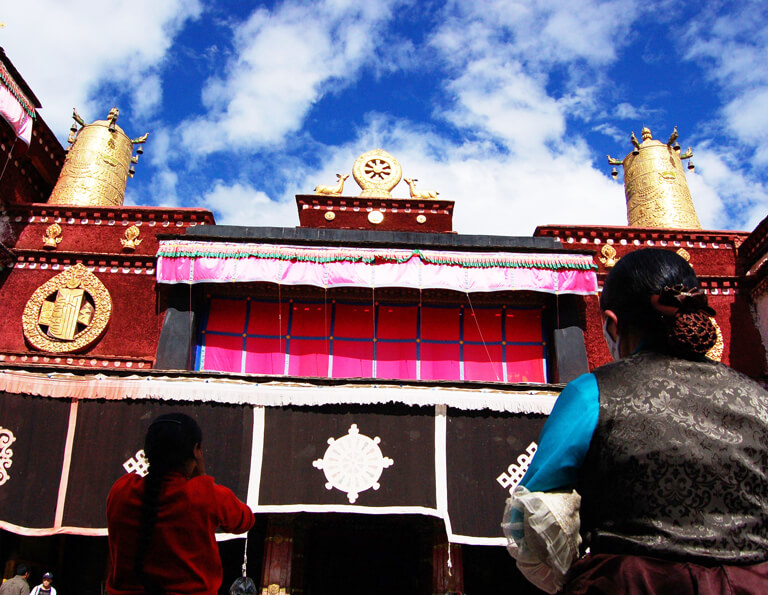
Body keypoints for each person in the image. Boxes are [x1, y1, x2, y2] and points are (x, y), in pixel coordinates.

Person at [502, 248, 768, 594]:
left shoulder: (593, 391)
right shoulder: (759, 399)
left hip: (631, 582)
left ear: (612, 323)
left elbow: (536, 511)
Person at [106, 413, 254, 595]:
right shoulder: (205, 495)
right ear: (196, 451)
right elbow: (245, 520)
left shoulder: (122, 490)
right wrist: (202, 479)